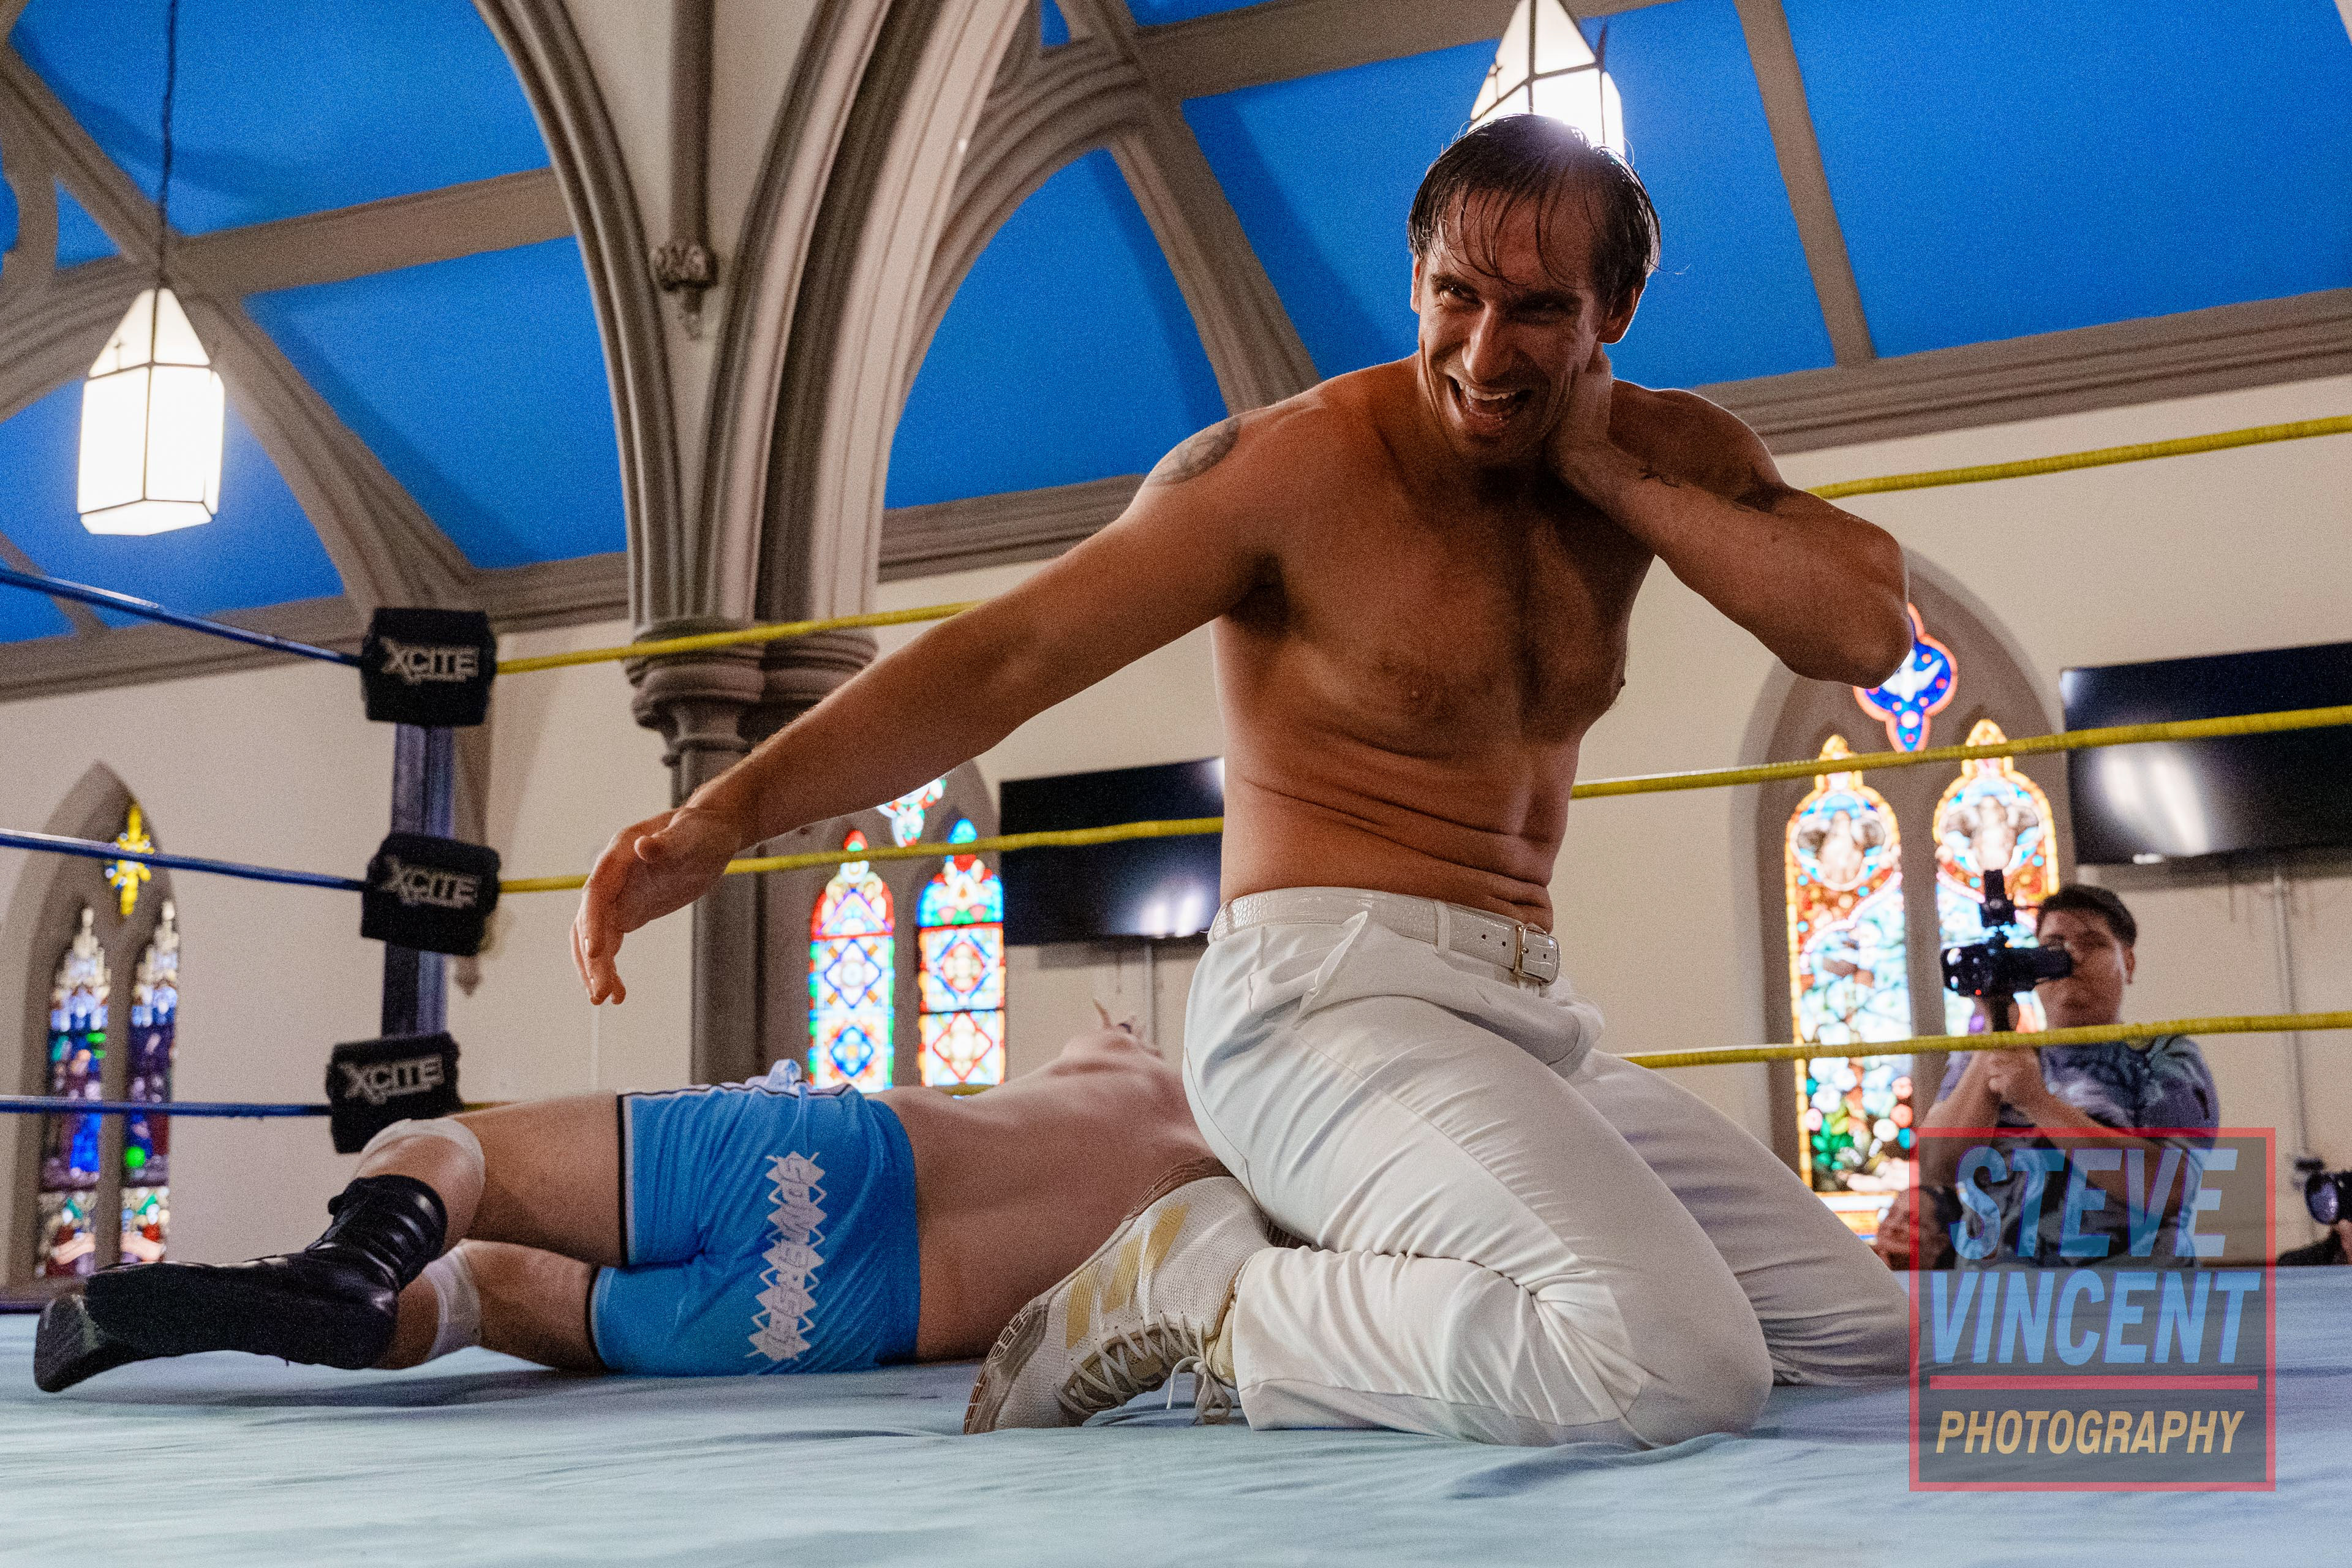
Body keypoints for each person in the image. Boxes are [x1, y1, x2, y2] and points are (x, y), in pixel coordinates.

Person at [572, 115, 1915, 1449]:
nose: (1484, 352)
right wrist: (725, 814)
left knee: (1855, 1331)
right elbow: (1008, 655)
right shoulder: (1297, 465)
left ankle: (1319, 1275)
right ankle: (1208, 1293)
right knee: (1675, 1365)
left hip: (1522, 1019)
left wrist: (1607, 470)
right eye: (1457, 295)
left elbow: (1863, 632)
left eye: (1537, 311)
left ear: (1612, 311)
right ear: (1414, 278)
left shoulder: (1666, 453)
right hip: (1317, 1003)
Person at [34, 1015, 1221, 1395]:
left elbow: (1096, 1039)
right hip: (843, 1321)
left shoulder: (1126, 1060)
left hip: (831, 1159)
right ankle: (339, 1303)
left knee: (453, 1150)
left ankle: (345, 1267)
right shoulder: (1225, 1190)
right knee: (485, 1293)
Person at [1917, 884, 2218, 1263]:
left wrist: (2037, 1102)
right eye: (2053, 945)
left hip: (2131, 1290)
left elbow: (2171, 1190)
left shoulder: (2163, 1055)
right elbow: (1937, 1168)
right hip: (2001, 1293)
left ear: (2128, 963)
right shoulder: (1991, 1053)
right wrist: (1995, 1031)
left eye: (2091, 943)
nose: (2070, 956)